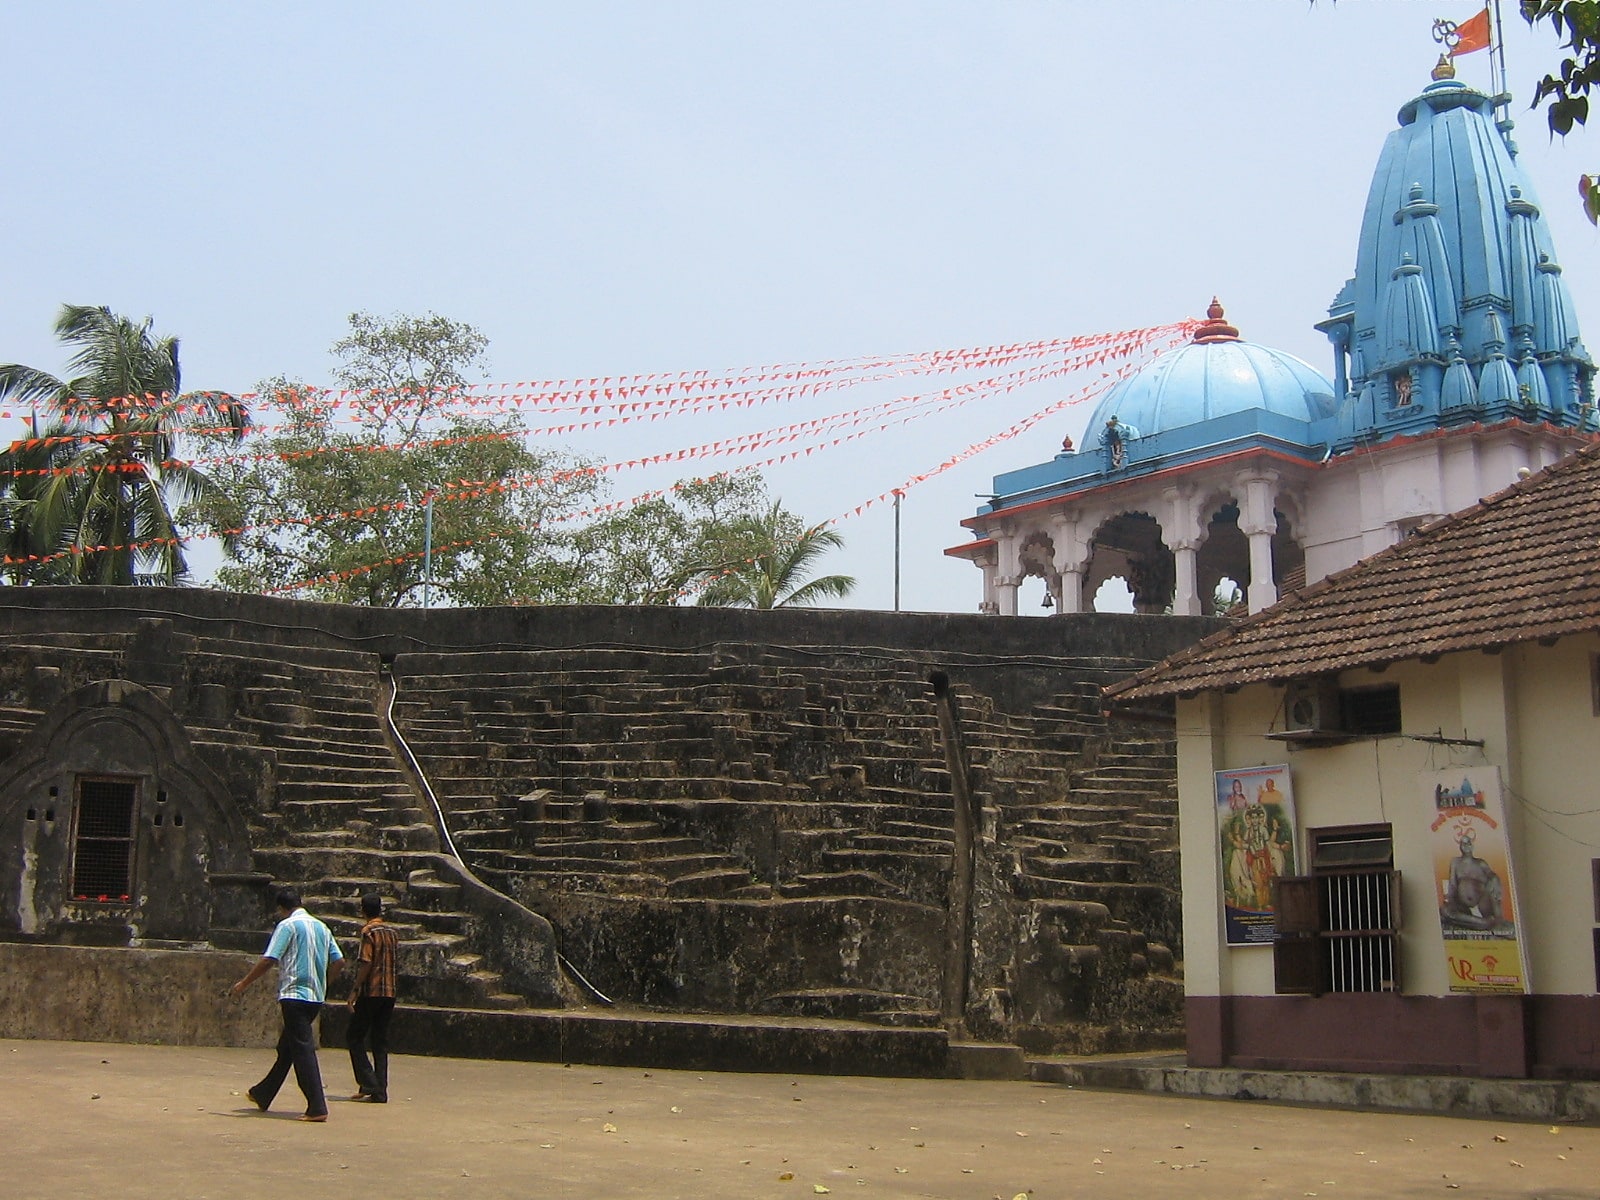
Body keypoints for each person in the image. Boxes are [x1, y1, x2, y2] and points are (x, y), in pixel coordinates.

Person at [231, 888, 343, 1122]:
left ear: (282, 909)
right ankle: (264, 1092)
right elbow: (339, 960)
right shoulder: (322, 927)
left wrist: (244, 983)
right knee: (288, 1048)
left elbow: (270, 958)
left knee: (303, 1050)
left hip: (294, 995)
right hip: (315, 996)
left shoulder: (288, 926)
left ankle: (317, 1106)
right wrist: (324, 983)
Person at [346, 892, 399, 1104]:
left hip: (372, 991)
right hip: (390, 992)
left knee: (354, 1036)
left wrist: (355, 988)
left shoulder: (368, 932)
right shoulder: (392, 933)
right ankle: (380, 1090)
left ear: (363, 910)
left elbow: (366, 962)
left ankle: (369, 1081)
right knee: (380, 1041)